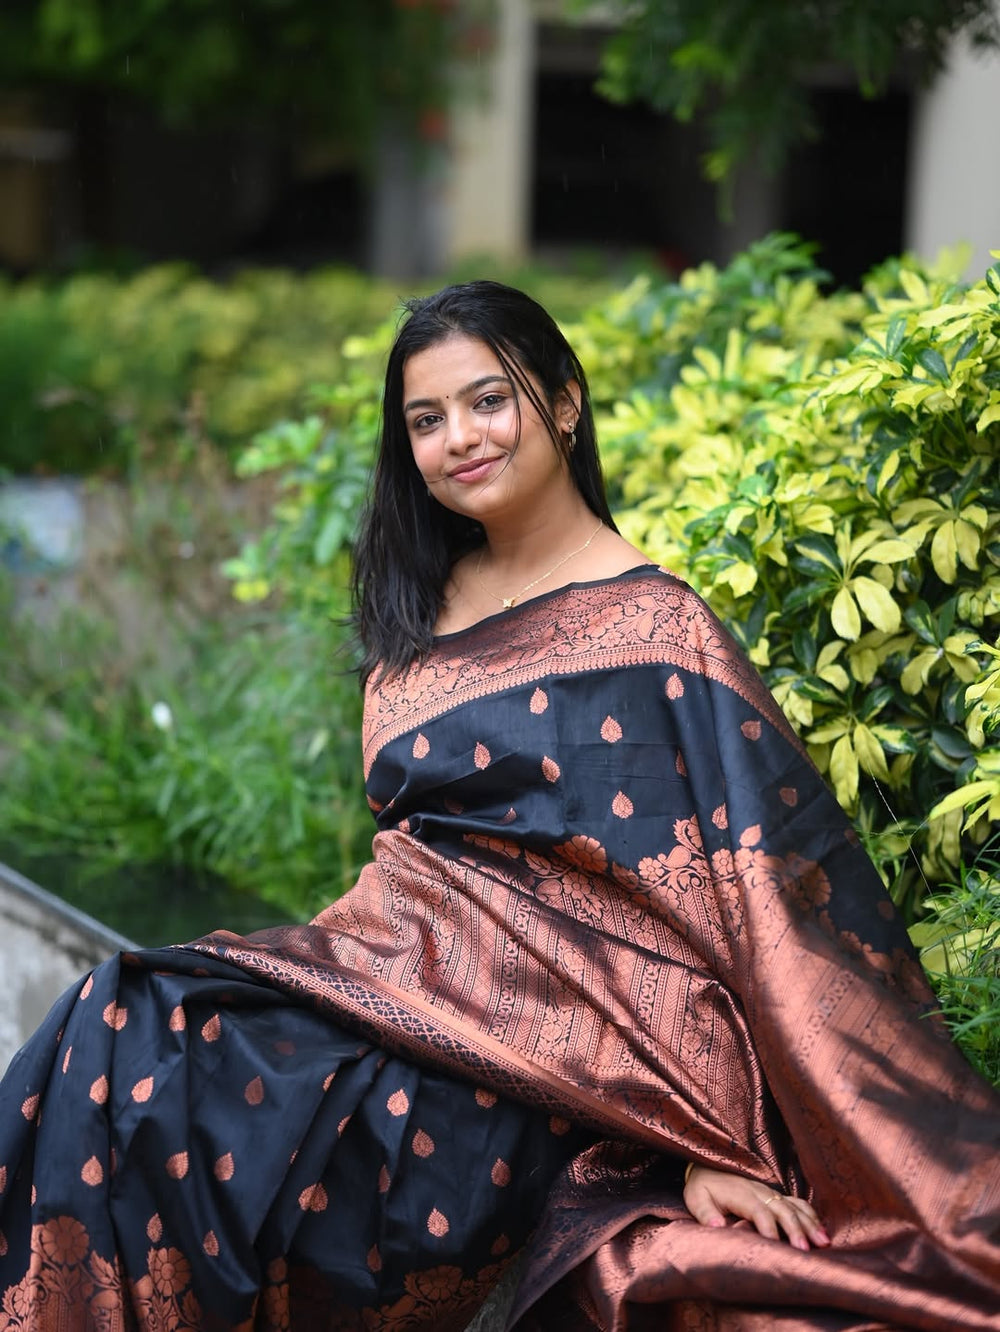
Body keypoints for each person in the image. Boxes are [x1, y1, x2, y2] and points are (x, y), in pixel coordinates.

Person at [0, 280, 998, 1332]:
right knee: (116, 1028)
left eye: (487, 401)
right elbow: (419, 869)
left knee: (193, 1109)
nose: (456, 440)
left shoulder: (658, 630)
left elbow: (742, 919)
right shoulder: (417, 612)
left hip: (527, 1088)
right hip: (387, 990)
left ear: (563, 402)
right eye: (424, 421)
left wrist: (709, 1140)